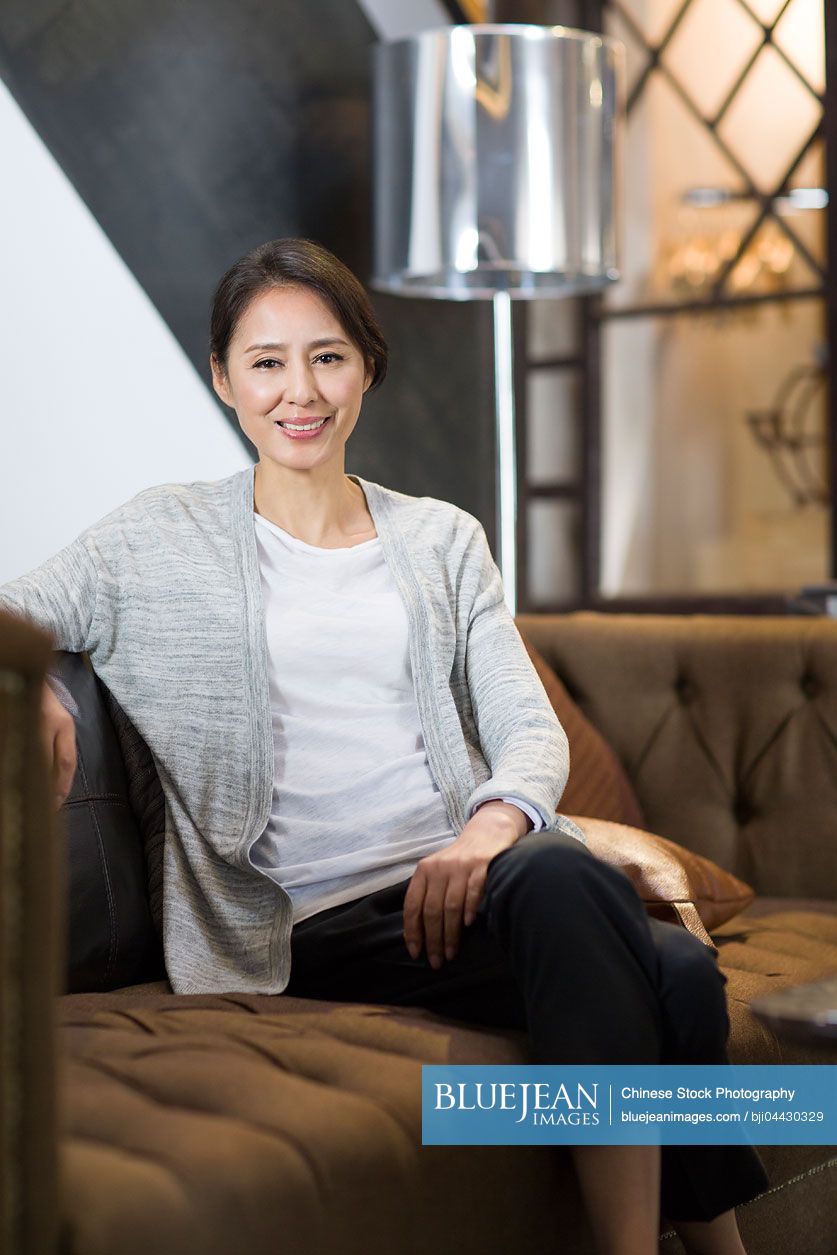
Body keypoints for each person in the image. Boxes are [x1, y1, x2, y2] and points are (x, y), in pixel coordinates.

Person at [2, 238, 768, 1255]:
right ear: (225, 378)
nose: (299, 390)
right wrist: (37, 683)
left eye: (327, 356)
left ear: (367, 366)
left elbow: (524, 726)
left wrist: (487, 828)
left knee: (676, 972)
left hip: (465, 892)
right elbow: (16, 610)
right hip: (309, 926)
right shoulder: (155, 536)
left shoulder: (443, 540)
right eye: (266, 361)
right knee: (579, 896)